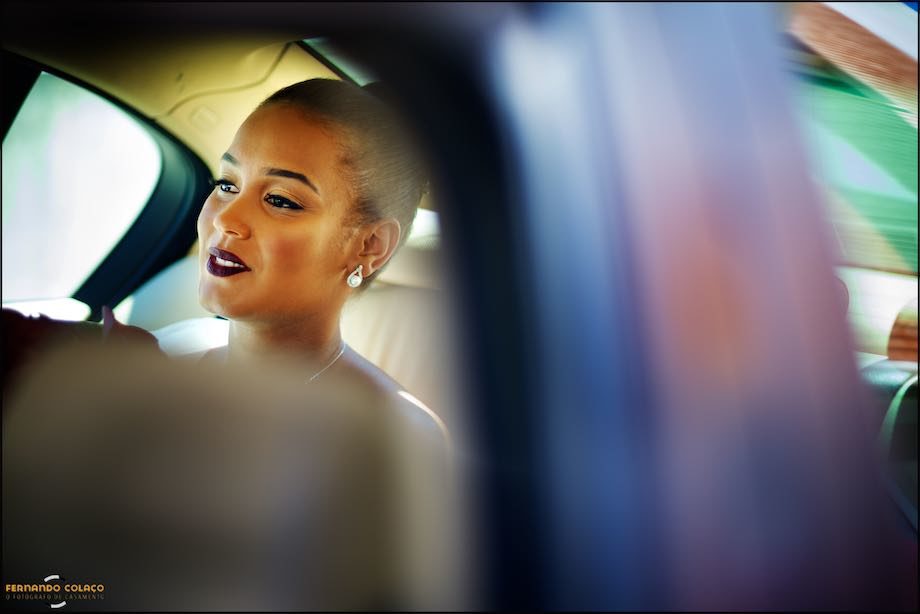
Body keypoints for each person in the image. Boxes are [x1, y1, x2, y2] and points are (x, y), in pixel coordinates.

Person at [196, 78, 449, 443]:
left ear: (369, 246)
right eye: (227, 184)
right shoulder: (168, 359)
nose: (225, 220)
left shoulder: (395, 439)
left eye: (281, 200)